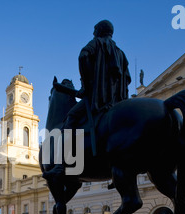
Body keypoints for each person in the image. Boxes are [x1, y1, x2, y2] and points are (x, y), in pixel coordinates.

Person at [43, 20, 131, 180]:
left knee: (70, 120)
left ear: (100, 31)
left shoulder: (97, 43)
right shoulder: (121, 53)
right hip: (116, 101)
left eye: (94, 30)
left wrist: (87, 84)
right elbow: (127, 78)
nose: (93, 33)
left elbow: (83, 56)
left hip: (97, 99)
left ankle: (61, 165)